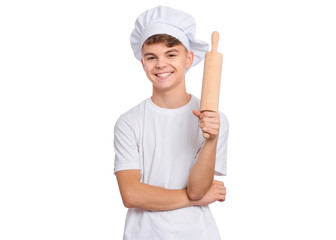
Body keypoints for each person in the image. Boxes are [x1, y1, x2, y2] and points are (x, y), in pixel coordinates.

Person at [114, 6, 229, 240]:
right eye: (151, 57)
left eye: (171, 54)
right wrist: (191, 198)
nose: (161, 64)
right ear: (142, 62)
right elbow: (131, 195)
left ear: (188, 59)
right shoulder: (129, 122)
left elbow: (198, 188)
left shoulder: (214, 120)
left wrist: (211, 140)